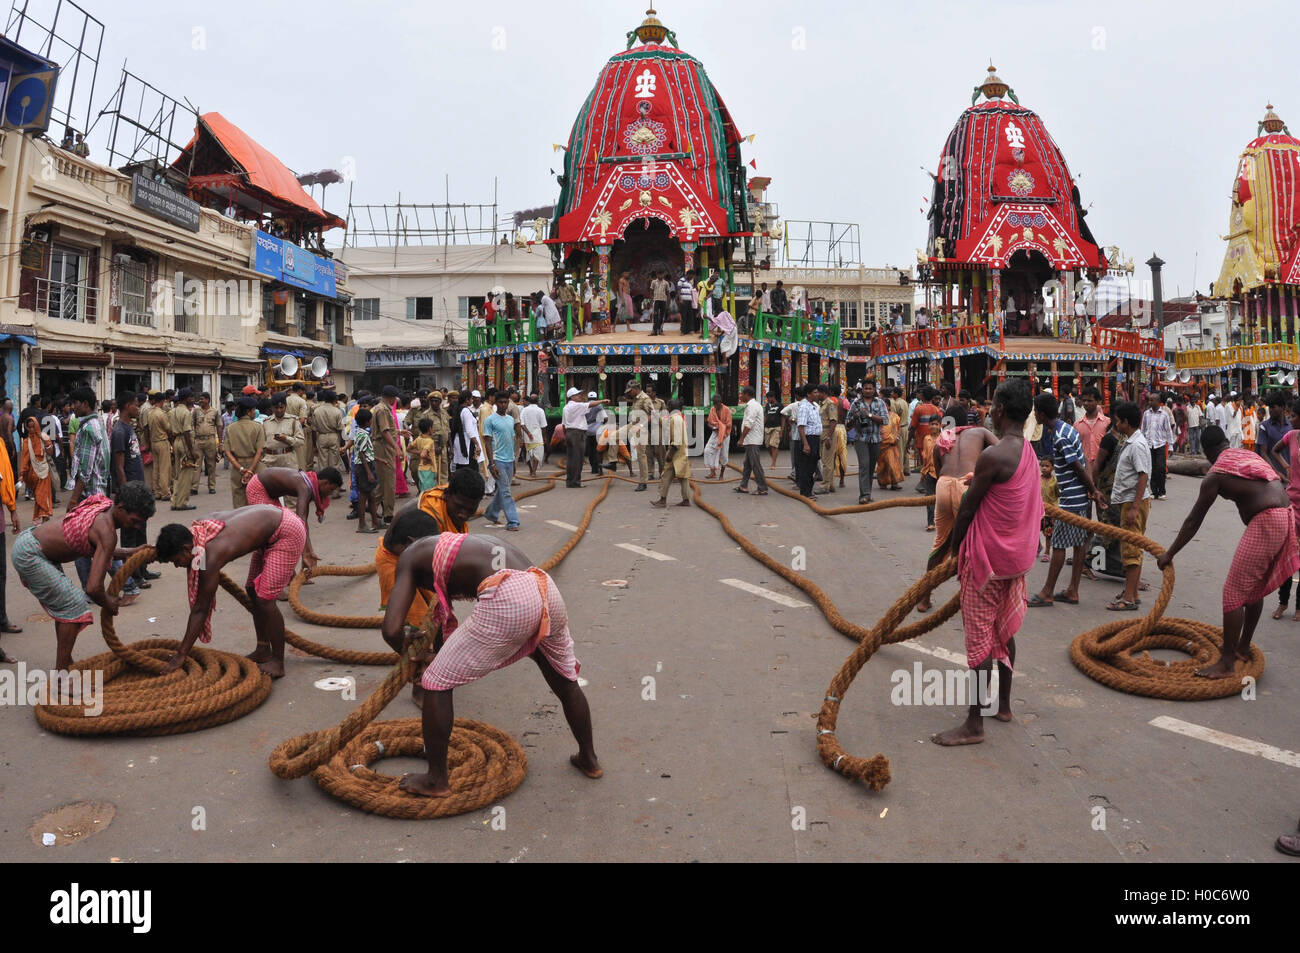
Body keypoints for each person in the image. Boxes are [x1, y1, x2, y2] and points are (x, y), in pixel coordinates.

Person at [380, 533, 601, 797]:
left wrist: (409, 658)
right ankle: (589, 759)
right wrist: (436, 654)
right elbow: (441, 619)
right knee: (564, 681)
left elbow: (391, 630)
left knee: (436, 682)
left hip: (510, 599)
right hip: (544, 589)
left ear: (407, 544)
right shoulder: (459, 545)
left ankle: (435, 780)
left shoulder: (409, 556)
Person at [929, 379, 1043, 745]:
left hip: (987, 563)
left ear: (999, 411)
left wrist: (954, 553)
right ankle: (1004, 705)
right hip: (1016, 561)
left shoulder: (994, 456)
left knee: (979, 643)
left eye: (993, 405)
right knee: (1004, 632)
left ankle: (974, 725)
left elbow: (967, 510)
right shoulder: (1027, 453)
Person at [1156, 425, 1299, 678]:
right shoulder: (1245, 454)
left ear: (1208, 452)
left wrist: (1170, 554)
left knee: (1233, 593)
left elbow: (1193, 520)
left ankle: (1227, 662)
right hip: (1286, 516)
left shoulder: (1216, 473)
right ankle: (1242, 647)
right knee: (1253, 589)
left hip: (1267, 520)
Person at [155, 504, 310, 679]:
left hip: (287, 532)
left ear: (185, 548)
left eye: (176, 561)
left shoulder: (210, 556)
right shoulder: (197, 530)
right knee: (252, 590)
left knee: (265, 599)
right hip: (270, 526)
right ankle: (263, 648)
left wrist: (181, 654)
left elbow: (201, 609)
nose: (177, 565)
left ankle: (278, 662)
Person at [12, 482, 154, 669]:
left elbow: (103, 547)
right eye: (134, 521)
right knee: (74, 604)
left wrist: (131, 551)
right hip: (31, 553)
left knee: (66, 607)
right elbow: (93, 588)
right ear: (120, 509)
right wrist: (108, 602)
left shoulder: (104, 505)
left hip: (32, 542)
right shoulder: (107, 532)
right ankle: (62, 674)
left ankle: (65, 661)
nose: (135, 527)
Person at [1029, 392, 1104, 607]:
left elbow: (1077, 467)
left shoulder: (1060, 436)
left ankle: (1047, 592)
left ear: (1042, 414)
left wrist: (1094, 490)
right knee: (1080, 543)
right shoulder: (1066, 428)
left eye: (1035, 411)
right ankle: (1072, 590)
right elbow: (1082, 462)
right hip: (1080, 496)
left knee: (1060, 545)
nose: (1034, 414)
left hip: (1072, 498)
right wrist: (1091, 491)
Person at [244, 466, 342, 571]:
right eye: (331, 489)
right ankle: (279, 574)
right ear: (325, 483)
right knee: (273, 535)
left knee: (280, 533)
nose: (331, 493)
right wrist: (305, 553)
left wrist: (309, 550)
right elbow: (301, 520)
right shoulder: (305, 487)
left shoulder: (308, 483)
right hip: (258, 488)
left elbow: (304, 523)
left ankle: (288, 574)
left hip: (269, 493)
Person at [1104, 401, 1153, 611]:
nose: (1116, 425)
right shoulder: (1130, 441)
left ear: (1125, 422)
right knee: (1134, 545)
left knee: (1131, 549)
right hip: (1129, 501)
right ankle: (1130, 592)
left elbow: (1143, 476)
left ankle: (1129, 598)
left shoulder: (1137, 445)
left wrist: (1134, 508)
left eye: (1118, 421)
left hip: (1134, 502)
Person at [1265, 398, 1300, 620]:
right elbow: (1274, 450)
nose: (1291, 418)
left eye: (1294, 415)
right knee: (1288, 553)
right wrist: (1285, 467)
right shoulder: (1292, 436)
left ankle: (1299, 606)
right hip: (1293, 501)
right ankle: (1283, 602)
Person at [481, 390, 526, 531]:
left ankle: (491, 513)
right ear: (496, 403)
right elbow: (487, 442)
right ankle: (513, 521)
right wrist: (491, 463)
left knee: (502, 490)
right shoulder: (490, 420)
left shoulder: (510, 420)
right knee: (506, 492)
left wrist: (513, 460)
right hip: (497, 460)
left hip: (509, 459)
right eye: (500, 402)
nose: (503, 405)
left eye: (505, 402)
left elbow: (511, 440)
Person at [66, 387, 108, 509]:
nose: (72, 407)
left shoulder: (88, 428)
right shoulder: (97, 423)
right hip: (98, 492)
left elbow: (85, 470)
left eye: (75, 403)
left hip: (89, 496)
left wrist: (73, 500)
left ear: (85, 404)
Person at [848, 379, 889, 504]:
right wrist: (855, 417)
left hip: (876, 438)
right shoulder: (856, 403)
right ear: (862, 390)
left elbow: (885, 420)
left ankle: (868, 493)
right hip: (861, 438)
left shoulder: (880, 403)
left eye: (870, 388)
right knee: (864, 466)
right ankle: (864, 494)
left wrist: (869, 415)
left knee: (871, 467)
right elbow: (847, 424)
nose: (868, 390)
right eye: (866, 388)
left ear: (874, 390)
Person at [223, 396, 266, 507]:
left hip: (238, 468)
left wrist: (241, 468)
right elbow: (259, 451)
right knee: (258, 500)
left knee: (239, 501)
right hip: (255, 466)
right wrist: (250, 470)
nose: (255, 412)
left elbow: (227, 452)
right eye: (253, 410)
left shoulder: (230, 428)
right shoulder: (258, 427)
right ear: (248, 411)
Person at [651, 399, 691, 507]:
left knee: (667, 475)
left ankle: (663, 500)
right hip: (680, 451)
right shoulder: (676, 417)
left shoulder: (676, 419)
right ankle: (685, 500)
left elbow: (677, 439)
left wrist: (670, 454)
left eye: (668, 406)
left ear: (671, 407)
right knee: (682, 476)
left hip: (676, 451)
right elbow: (664, 423)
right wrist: (655, 414)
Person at [351, 407, 383, 533]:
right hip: (364, 468)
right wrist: (369, 472)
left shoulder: (360, 432)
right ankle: (362, 524)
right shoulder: (363, 435)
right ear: (366, 422)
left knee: (371, 495)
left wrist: (379, 460)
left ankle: (375, 522)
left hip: (364, 466)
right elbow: (362, 454)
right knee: (364, 496)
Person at [372, 386, 400, 525]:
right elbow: (384, 431)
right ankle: (387, 515)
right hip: (383, 447)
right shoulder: (383, 409)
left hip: (384, 446)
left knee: (384, 482)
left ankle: (373, 508)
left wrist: (400, 433)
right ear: (391, 397)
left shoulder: (381, 408)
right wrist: (396, 447)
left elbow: (388, 430)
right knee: (388, 483)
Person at [734, 386, 768, 495]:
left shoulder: (752, 406)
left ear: (747, 394)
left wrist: (741, 439)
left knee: (755, 465)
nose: (740, 396)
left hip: (752, 439)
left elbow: (749, 424)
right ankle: (743, 486)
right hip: (751, 439)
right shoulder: (754, 405)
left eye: (742, 394)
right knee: (747, 464)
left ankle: (762, 488)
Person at [19, 414, 54, 522]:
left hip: (44, 471)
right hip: (33, 474)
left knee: (42, 496)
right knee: (38, 496)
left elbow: (50, 452)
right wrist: (22, 473)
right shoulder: (26, 442)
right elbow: (24, 459)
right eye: (29, 427)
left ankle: (44, 517)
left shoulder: (44, 437)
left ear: (37, 426)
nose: (31, 429)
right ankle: (43, 517)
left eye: (33, 426)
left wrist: (45, 442)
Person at [1140, 391, 1172, 500]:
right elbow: (1143, 429)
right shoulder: (1146, 414)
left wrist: (1171, 445)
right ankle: (1154, 491)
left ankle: (1162, 491)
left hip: (1160, 445)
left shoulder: (1164, 415)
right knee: (1152, 468)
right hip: (1149, 445)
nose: (1149, 402)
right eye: (1149, 400)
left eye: (1152, 400)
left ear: (1158, 401)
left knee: (1161, 468)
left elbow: (1168, 431)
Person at [261, 393, 304, 471]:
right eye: (276, 407)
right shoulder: (266, 422)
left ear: (286, 406)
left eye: (281, 407)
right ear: (271, 408)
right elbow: (262, 443)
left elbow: (301, 441)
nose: (279, 410)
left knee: (288, 483)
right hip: (269, 461)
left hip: (288, 461)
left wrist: (286, 439)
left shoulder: (293, 421)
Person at [794, 385, 823, 499]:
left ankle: (809, 490)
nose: (817, 394)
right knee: (806, 466)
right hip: (808, 438)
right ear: (808, 394)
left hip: (815, 439)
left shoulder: (814, 406)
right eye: (815, 392)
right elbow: (801, 426)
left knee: (812, 465)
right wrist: (805, 444)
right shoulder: (804, 407)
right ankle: (805, 492)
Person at [309, 389, 346, 473]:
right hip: (334, 436)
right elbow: (340, 429)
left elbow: (313, 429)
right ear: (334, 400)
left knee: (322, 462)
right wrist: (341, 443)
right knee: (335, 462)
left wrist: (314, 444)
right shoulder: (337, 411)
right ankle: (333, 481)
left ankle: (323, 480)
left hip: (321, 436)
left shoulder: (317, 411)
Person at [626, 382, 653, 491]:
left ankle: (643, 482)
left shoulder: (645, 398)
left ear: (635, 389)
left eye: (630, 391)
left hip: (641, 428)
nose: (629, 393)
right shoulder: (636, 398)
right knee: (615, 435)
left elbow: (653, 414)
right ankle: (612, 462)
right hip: (633, 425)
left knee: (641, 455)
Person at [194, 392, 222, 495]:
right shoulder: (196, 411)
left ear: (207, 400)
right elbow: (192, 425)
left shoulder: (214, 411)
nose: (200, 401)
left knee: (211, 464)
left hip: (210, 440)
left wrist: (220, 443)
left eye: (202, 399)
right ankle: (194, 487)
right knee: (196, 464)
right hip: (198, 440)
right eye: (200, 399)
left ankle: (212, 486)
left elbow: (219, 426)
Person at [876, 396, 905, 491]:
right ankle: (882, 482)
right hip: (881, 443)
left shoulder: (895, 416)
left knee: (893, 463)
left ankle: (894, 482)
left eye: (885, 405)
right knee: (882, 465)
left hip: (892, 443)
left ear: (889, 406)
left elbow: (899, 428)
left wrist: (897, 437)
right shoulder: (877, 417)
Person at [704, 394, 732, 479]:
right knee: (707, 450)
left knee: (724, 455)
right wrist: (713, 426)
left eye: (716, 403)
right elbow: (709, 422)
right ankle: (713, 472)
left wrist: (721, 426)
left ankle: (721, 474)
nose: (715, 405)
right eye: (714, 403)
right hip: (715, 433)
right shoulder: (712, 409)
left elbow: (729, 424)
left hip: (725, 434)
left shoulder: (726, 409)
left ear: (720, 403)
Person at [408, 417, 439, 491]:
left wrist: (419, 452)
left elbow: (408, 449)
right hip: (429, 470)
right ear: (430, 429)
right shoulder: (429, 441)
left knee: (423, 489)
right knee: (429, 490)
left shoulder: (419, 438)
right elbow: (423, 455)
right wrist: (430, 459)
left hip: (421, 468)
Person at [1039, 456, 1058, 560]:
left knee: (1048, 534)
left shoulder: (1055, 481)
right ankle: (1038, 546)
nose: (1044, 468)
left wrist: (1056, 511)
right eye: (1042, 466)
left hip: (1050, 512)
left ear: (1052, 468)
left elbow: (1057, 496)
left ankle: (1047, 552)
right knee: (1034, 531)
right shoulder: (1037, 479)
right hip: (1038, 511)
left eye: (1047, 466)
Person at [763, 390, 783, 469]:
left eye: (768, 398)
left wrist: (781, 430)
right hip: (767, 427)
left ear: (772, 397)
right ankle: (773, 459)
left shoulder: (780, 405)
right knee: (767, 445)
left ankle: (773, 463)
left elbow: (783, 418)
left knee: (773, 445)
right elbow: (766, 416)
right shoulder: (767, 405)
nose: (768, 400)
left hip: (776, 427)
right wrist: (762, 425)